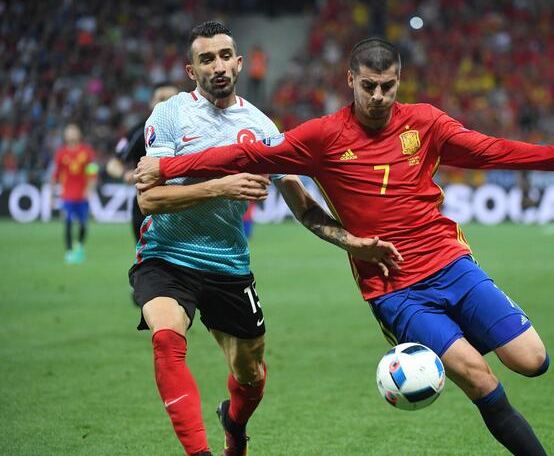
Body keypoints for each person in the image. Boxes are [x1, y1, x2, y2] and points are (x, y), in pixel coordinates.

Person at [136, 38, 554, 455]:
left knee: (533, 361)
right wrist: (167, 167)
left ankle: (458, 339)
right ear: (350, 80)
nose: (378, 96)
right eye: (368, 86)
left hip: (452, 263)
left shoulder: (425, 123)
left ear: (399, 81)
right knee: (478, 376)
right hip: (394, 289)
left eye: (387, 86)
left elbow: (492, 149)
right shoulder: (322, 137)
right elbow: (248, 153)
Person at [130, 24, 401, 456]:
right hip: (168, 255)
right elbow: (150, 200)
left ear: (239, 63)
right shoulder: (169, 115)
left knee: (251, 375)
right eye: (206, 59)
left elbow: (304, 206)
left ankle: (234, 425)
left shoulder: (260, 127)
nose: (217, 66)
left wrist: (354, 243)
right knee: (166, 339)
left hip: (228, 265)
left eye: (224, 56)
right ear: (190, 69)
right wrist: (221, 186)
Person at [106, 82, 179, 243]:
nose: (166, 103)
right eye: (161, 98)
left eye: (172, 99)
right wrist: (126, 174)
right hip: (147, 207)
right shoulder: (140, 131)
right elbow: (113, 164)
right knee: (149, 263)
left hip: (182, 204)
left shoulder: (191, 131)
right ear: (151, 103)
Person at [52, 123, 98, 264]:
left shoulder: (87, 152)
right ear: (65, 135)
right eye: (69, 131)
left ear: (79, 134)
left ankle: (79, 247)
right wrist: (51, 193)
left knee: (83, 224)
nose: (71, 134)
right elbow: (56, 174)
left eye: (74, 131)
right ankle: (69, 252)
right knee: (67, 223)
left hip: (82, 196)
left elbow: (92, 172)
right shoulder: (61, 153)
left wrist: (89, 188)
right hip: (67, 196)